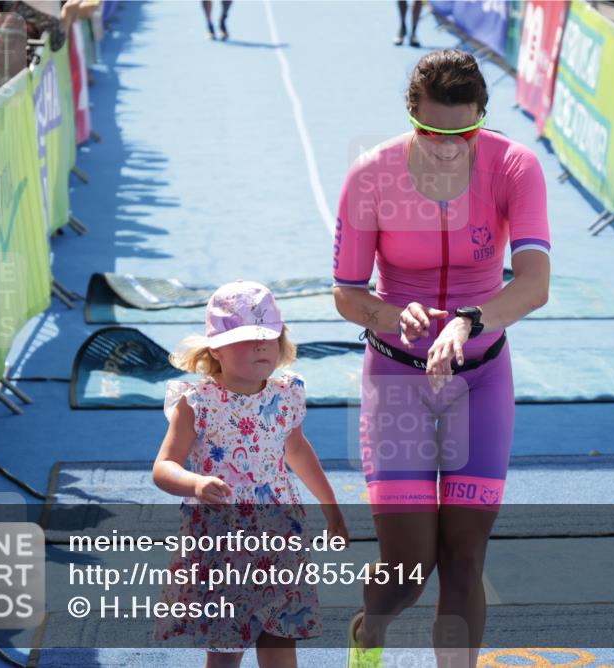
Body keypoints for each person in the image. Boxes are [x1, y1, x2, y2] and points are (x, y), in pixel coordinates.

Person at [333, 49, 551, 668]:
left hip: (481, 377)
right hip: (397, 378)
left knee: (463, 558)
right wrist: (384, 313)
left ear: (484, 115)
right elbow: (347, 293)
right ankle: (367, 632)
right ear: (411, 114)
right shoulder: (371, 176)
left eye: (463, 132)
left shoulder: (515, 167)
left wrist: (469, 320)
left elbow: (534, 284)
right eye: (432, 132)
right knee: (407, 573)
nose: (448, 147)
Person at [152, 279, 349, 667]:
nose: (260, 345)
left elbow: (296, 450)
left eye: (268, 336)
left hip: (280, 535)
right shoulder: (196, 403)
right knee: (225, 652)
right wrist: (195, 482)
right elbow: (163, 467)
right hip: (221, 545)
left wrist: (332, 509)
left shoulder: (287, 392)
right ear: (217, 351)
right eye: (245, 338)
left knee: (279, 641)